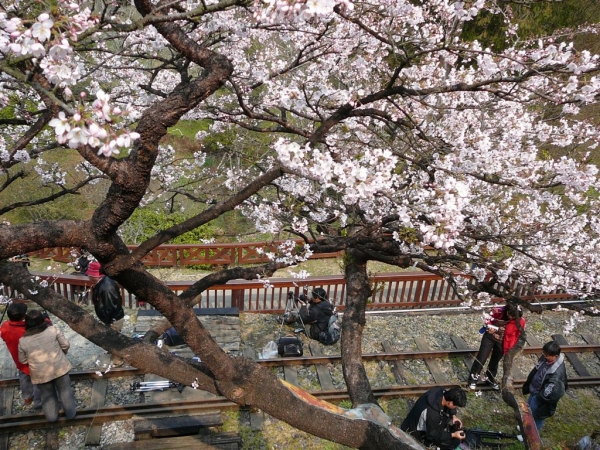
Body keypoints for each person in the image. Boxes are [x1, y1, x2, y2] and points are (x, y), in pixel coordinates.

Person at [17, 309, 76, 422]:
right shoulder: (53, 330)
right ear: (42, 320)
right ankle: (71, 414)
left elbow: (22, 360)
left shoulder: (23, 341)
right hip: (60, 367)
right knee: (65, 391)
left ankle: (52, 417)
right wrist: (62, 353)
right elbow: (66, 345)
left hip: (40, 373)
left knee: (47, 395)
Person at [467, 303, 525, 390]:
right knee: (481, 358)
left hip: (503, 341)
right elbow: (487, 317)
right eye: (510, 315)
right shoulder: (498, 310)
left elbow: (518, 334)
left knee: (495, 361)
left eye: (514, 317)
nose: (511, 318)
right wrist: (489, 326)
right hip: (489, 337)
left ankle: (490, 378)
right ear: (507, 311)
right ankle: (473, 379)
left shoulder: (521, 321)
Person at [0, 302, 41, 408]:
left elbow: (4, 337)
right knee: (37, 379)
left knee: (23, 376)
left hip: (18, 359)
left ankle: (27, 397)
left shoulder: (4, 326)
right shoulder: (27, 330)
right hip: (33, 359)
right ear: (23, 316)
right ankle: (38, 400)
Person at [401, 386, 467, 449]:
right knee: (454, 442)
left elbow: (449, 405)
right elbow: (432, 435)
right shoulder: (433, 414)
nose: (455, 408)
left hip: (417, 421)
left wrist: (454, 416)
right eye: (455, 406)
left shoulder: (440, 391)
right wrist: (453, 435)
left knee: (450, 426)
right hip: (415, 431)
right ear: (450, 403)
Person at [87, 261, 126, 366]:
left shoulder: (106, 288)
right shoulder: (102, 282)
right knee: (113, 337)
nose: (88, 278)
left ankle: (117, 360)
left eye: (89, 275)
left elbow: (110, 307)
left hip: (113, 318)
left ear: (94, 276)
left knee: (113, 339)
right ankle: (114, 353)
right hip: (113, 317)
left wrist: (108, 321)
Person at [522, 340, 568, 431]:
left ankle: (531, 436)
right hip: (534, 391)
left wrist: (539, 396)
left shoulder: (557, 373)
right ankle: (525, 428)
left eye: (547, 355)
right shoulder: (545, 358)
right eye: (544, 353)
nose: (544, 356)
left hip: (541, 398)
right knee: (529, 411)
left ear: (555, 356)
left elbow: (552, 393)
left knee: (536, 417)